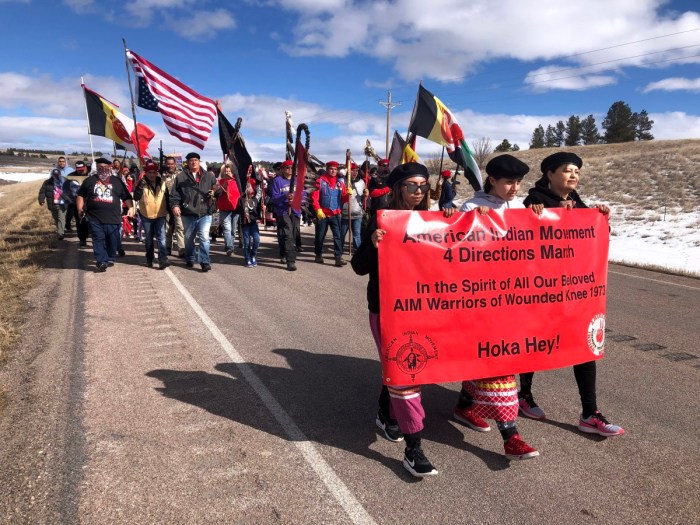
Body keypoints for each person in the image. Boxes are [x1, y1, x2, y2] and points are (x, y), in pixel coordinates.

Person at [516, 151, 624, 437]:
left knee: (585, 346)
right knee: (534, 345)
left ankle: (590, 413)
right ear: (549, 174)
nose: (573, 175)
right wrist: (552, 215)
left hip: (576, 292)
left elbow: (593, 240)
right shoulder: (534, 201)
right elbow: (525, 238)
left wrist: (601, 218)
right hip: (541, 291)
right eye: (567, 170)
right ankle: (524, 395)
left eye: (576, 170)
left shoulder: (580, 204)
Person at [352, 162, 446, 477]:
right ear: (398, 188)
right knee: (406, 371)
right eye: (412, 186)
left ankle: (384, 411)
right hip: (387, 309)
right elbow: (358, 266)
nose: (419, 192)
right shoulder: (382, 221)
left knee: (398, 367)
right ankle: (413, 449)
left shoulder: (433, 220)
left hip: (423, 307)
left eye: (423, 186)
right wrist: (375, 245)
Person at [454, 154, 540, 460]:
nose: (515, 188)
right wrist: (470, 221)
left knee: (488, 362)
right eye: (508, 182)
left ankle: (464, 405)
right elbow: (457, 252)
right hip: (480, 301)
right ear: (492, 180)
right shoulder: (471, 207)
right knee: (498, 364)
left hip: (513, 300)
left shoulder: (520, 208)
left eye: (518, 182)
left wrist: (545, 216)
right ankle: (511, 436)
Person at [76, 158, 133, 272]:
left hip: (113, 218)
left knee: (113, 240)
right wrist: (79, 208)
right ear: (96, 169)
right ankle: (101, 261)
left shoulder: (117, 181)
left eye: (105, 168)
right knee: (98, 239)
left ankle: (110, 257)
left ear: (110, 168)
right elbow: (81, 195)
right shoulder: (89, 181)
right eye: (100, 168)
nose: (103, 170)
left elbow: (126, 196)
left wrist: (131, 208)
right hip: (94, 217)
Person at [170, 152, 221, 272]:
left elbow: (218, 193)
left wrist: (217, 189)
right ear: (187, 162)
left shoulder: (209, 176)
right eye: (191, 160)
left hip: (205, 212)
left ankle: (204, 261)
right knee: (188, 239)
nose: (194, 162)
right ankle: (190, 257)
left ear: (199, 161)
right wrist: (175, 205)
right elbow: (175, 194)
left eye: (196, 160)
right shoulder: (181, 177)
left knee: (204, 238)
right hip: (188, 213)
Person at [311, 160, 351, 267]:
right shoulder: (320, 181)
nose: (333, 171)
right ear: (327, 169)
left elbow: (343, 199)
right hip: (322, 214)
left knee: (338, 236)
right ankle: (318, 255)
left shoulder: (340, 183)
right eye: (331, 169)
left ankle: (338, 257)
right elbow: (314, 197)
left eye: (335, 169)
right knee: (320, 236)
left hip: (336, 214)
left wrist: (348, 195)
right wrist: (318, 209)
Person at [132, 160, 169, 269]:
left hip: (160, 214)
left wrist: (170, 213)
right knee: (148, 240)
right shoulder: (142, 183)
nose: (152, 175)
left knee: (161, 238)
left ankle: (163, 260)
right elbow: (136, 197)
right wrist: (139, 187)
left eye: (154, 172)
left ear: (157, 173)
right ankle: (149, 258)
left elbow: (167, 198)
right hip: (146, 215)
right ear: (146, 173)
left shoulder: (162, 182)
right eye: (149, 173)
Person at [270, 160, 303, 271]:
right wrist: (285, 196)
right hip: (283, 211)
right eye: (287, 168)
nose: (290, 170)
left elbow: (303, 195)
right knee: (288, 234)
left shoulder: (297, 180)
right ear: (283, 169)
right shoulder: (277, 181)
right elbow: (274, 198)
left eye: (292, 168)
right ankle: (291, 261)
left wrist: (298, 200)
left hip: (295, 211)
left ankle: (284, 252)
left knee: (292, 235)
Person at [38, 168, 74, 240]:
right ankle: (60, 230)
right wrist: (41, 200)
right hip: (52, 203)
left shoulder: (64, 182)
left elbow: (70, 191)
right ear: (52, 175)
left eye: (57, 175)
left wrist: (70, 199)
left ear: (59, 175)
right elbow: (42, 191)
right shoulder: (47, 182)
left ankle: (61, 233)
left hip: (63, 203)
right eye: (54, 175)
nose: (56, 176)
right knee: (56, 218)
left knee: (61, 218)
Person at [216, 163, 242, 257]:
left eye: (229, 171)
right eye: (226, 171)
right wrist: (223, 187)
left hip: (235, 208)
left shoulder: (237, 182)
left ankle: (228, 245)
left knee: (233, 230)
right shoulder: (220, 182)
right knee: (227, 228)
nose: (227, 173)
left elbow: (240, 194)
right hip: (224, 208)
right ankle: (230, 248)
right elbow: (217, 194)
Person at [162, 156, 185, 257]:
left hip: (178, 205)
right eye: (168, 164)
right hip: (166, 205)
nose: (170, 166)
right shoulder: (162, 175)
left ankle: (182, 249)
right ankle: (167, 247)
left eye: (172, 164)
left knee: (180, 227)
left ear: (175, 164)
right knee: (168, 228)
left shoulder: (181, 174)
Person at [340, 162, 365, 254]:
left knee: (356, 235)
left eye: (356, 171)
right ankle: (339, 250)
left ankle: (357, 252)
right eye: (353, 171)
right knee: (342, 233)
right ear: (349, 172)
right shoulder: (342, 181)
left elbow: (362, 197)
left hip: (357, 211)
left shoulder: (361, 182)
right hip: (345, 211)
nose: (355, 172)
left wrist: (366, 194)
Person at [241, 171, 262, 267]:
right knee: (247, 242)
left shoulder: (256, 199)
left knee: (256, 240)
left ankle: (253, 255)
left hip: (254, 223)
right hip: (245, 223)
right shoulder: (241, 199)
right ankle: (247, 258)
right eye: (248, 187)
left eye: (251, 187)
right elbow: (237, 209)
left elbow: (260, 191)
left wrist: (263, 210)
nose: (250, 189)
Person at [71, 161, 91, 246]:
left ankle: (91, 233)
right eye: (79, 170)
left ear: (85, 167)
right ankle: (82, 238)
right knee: (80, 220)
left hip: (91, 202)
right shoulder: (71, 176)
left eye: (82, 169)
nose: (81, 171)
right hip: (77, 201)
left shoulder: (91, 174)